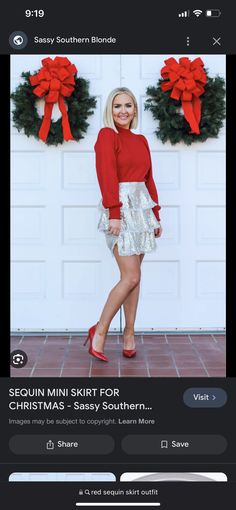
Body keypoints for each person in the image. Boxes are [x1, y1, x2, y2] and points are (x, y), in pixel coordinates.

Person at [84, 87, 163, 362]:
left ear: (135, 110)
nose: (123, 111)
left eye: (128, 105)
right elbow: (105, 174)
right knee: (130, 276)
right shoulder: (108, 136)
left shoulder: (141, 140)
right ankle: (100, 331)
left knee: (135, 276)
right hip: (119, 208)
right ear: (110, 109)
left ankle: (129, 334)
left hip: (142, 209)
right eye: (117, 106)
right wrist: (114, 212)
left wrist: (157, 214)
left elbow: (149, 179)